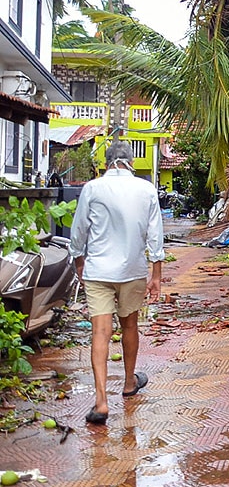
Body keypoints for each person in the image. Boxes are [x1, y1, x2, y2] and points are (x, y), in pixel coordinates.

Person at [68, 141, 165, 426]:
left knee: (100, 332)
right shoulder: (146, 189)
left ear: (108, 162)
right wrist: (156, 275)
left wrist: (78, 262)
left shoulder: (93, 188)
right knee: (130, 326)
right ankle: (128, 383)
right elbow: (155, 234)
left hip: (98, 271)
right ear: (130, 162)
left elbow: (79, 231)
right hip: (132, 270)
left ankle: (101, 402)